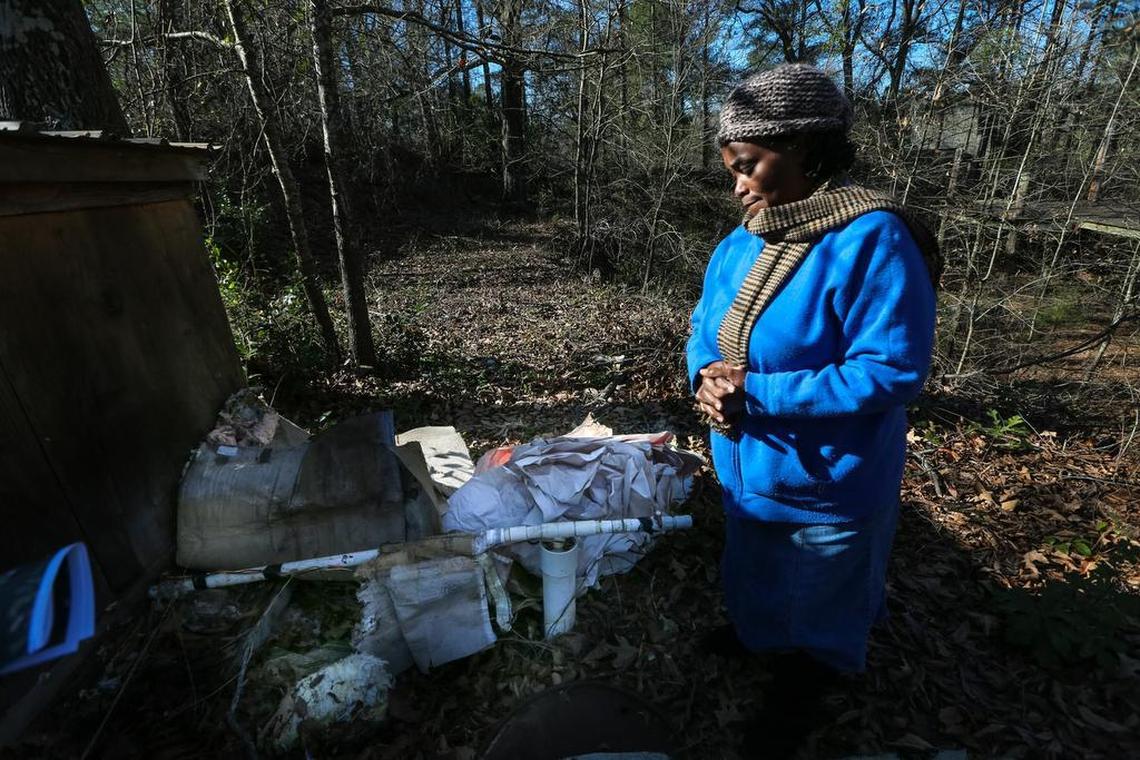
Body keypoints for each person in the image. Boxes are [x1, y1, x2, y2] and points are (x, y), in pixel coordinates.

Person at [686, 64, 939, 750]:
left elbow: (889, 371)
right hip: (749, 462)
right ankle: (762, 640)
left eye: (748, 165)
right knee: (759, 564)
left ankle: (810, 682)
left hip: (827, 475)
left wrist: (758, 393)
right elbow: (703, 328)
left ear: (804, 149)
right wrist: (704, 377)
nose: (737, 184)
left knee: (823, 583)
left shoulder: (872, 240)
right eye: (731, 167)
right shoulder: (743, 239)